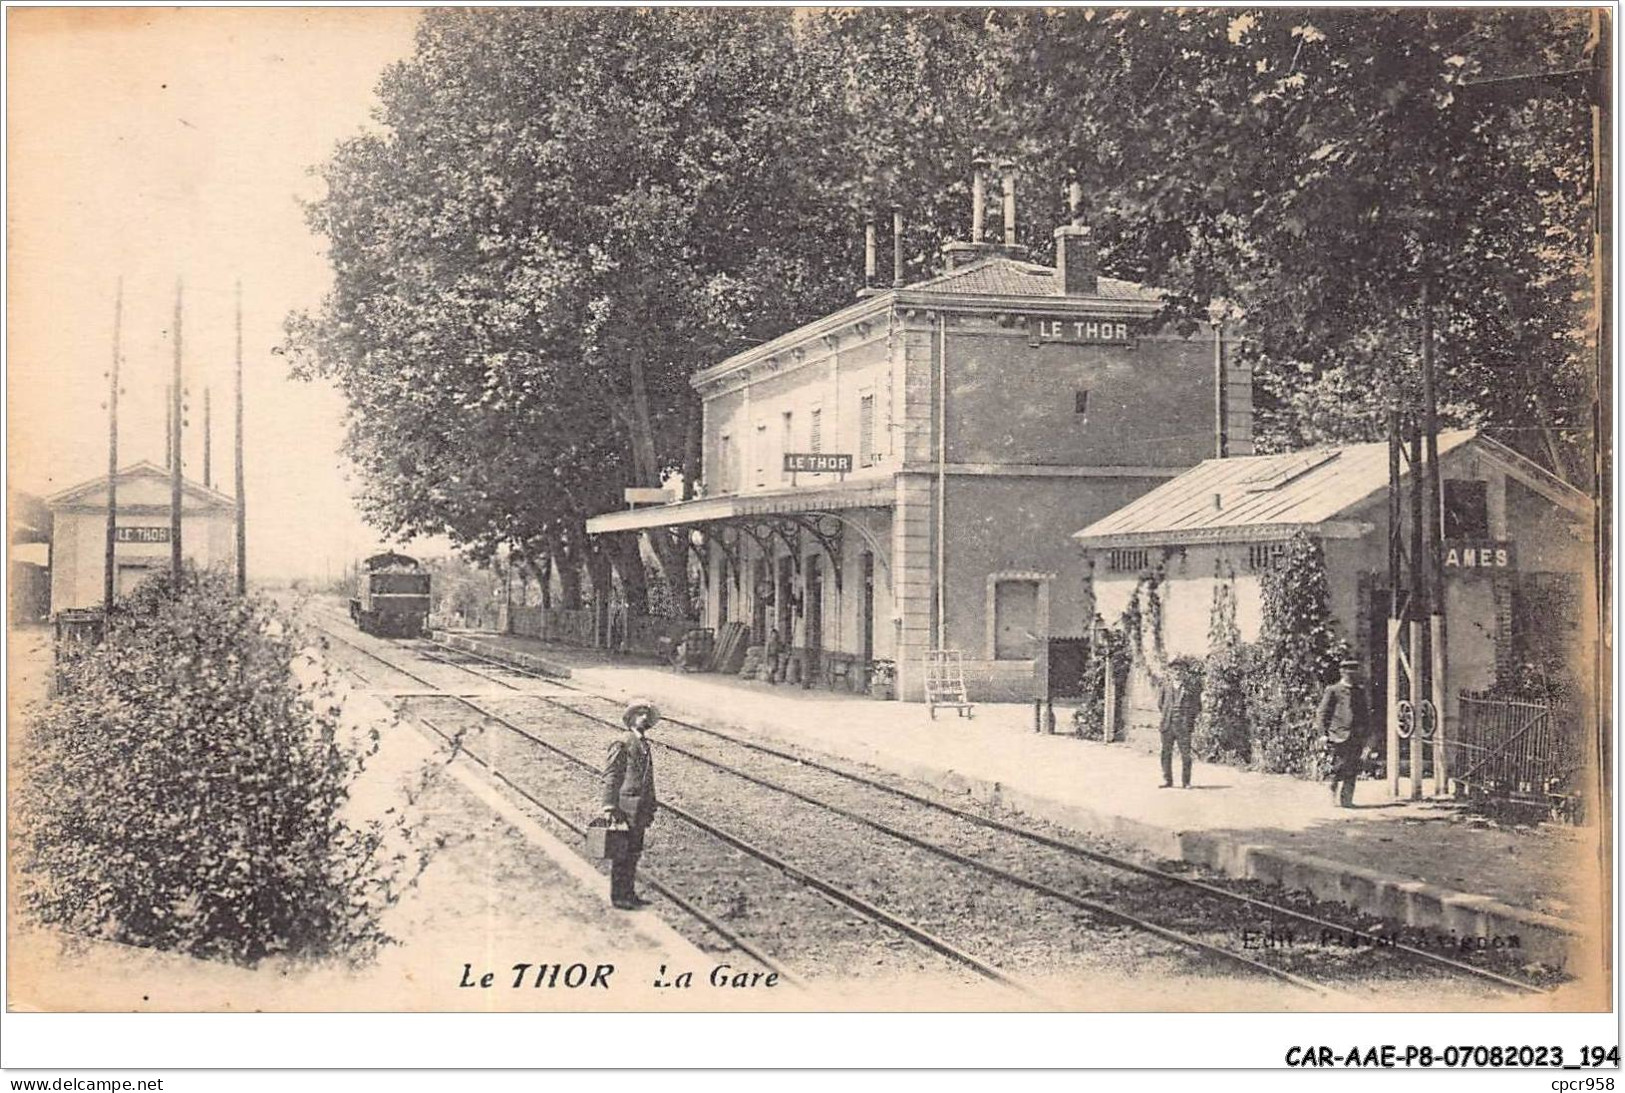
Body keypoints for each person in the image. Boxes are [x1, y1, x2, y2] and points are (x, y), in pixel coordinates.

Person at [601, 700, 660, 908]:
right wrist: (609, 806)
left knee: (634, 852)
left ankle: (629, 892)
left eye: (646, 714)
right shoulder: (622, 742)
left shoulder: (644, 744)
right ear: (630, 718)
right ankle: (618, 896)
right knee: (621, 853)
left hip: (640, 807)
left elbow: (648, 778)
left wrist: (651, 802)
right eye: (639, 713)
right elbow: (612, 775)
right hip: (624, 806)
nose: (643, 717)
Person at [1318, 658, 1371, 808]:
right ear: (1342, 672)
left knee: (1353, 767)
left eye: (1354, 670)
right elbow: (1322, 712)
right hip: (1338, 734)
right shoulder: (1333, 690)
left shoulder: (1359, 691)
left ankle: (1347, 800)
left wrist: (1366, 735)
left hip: (1356, 735)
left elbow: (1365, 714)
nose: (1351, 674)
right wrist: (1323, 733)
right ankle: (1332, 788)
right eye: (1348, 671)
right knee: (1339, 765)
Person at [1157, 656, 1201, 788]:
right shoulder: (1165, 686)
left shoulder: (1191, 688)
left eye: (1181, 670)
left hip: (1183, 726)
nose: (1178, 672)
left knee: (1186, 755)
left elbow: (1197, 706)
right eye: (1175, 670)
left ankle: (1186, 782)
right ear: (1171, 671)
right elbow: (1160, 704)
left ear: (1185, 672)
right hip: (1168, 725)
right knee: (1166, 753)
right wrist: (1167, 716)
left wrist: (1188, 720)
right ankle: (1167, 780)